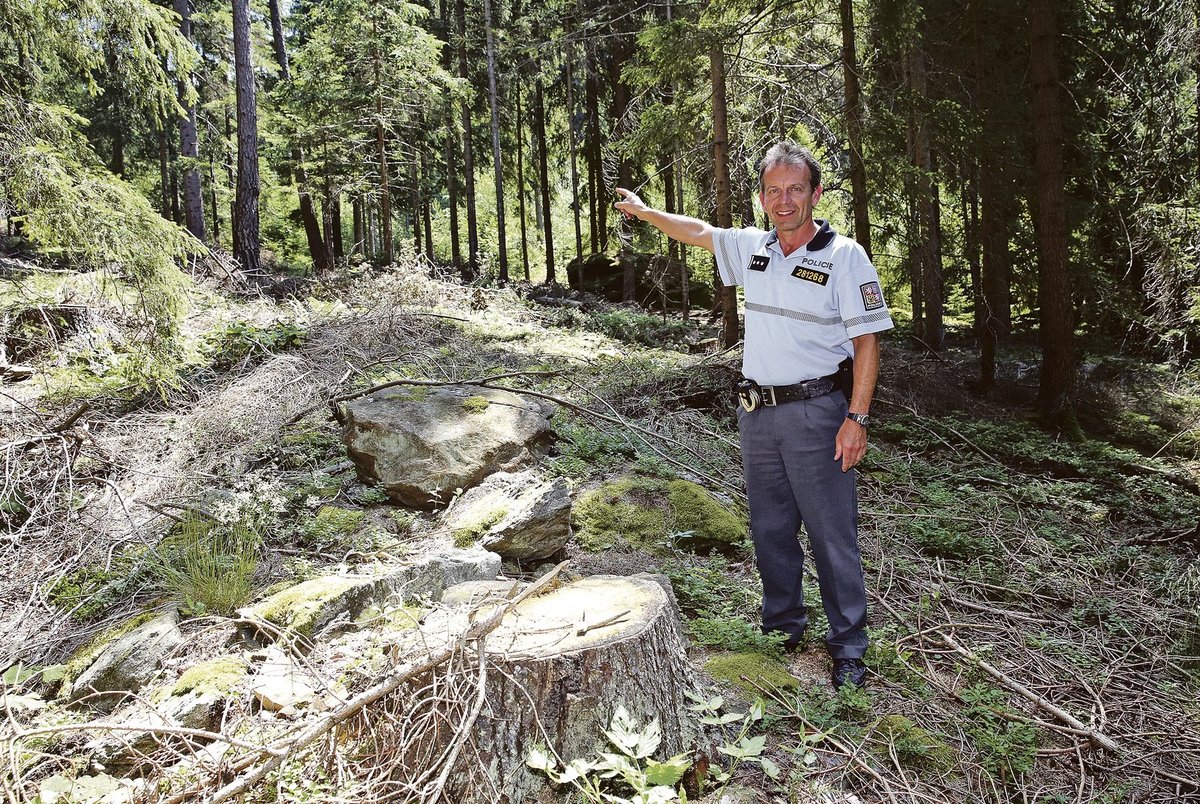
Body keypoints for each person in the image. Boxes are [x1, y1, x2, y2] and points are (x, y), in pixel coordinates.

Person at [614, 141, 893, 689]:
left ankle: (848, 648)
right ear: (761, 197)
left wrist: (855, 419)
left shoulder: (844, 257)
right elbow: (698, 232)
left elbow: (866, 343)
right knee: (769, 528)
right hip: (757, 415)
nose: (783, 200)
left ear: (815, 193)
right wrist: (647, 214)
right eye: (772, 190)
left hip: (818, 414)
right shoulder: (756, 247)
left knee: (830, 532)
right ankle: (782, 626)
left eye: (794, 189)